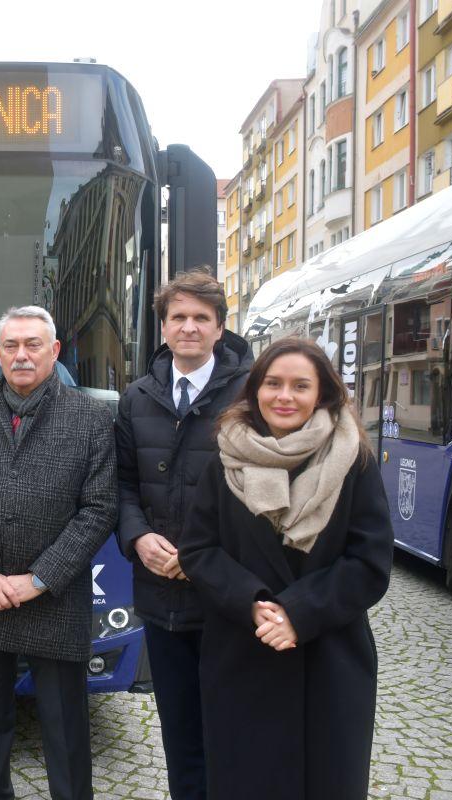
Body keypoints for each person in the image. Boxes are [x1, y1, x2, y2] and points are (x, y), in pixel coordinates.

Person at [178, 337, 394, 800]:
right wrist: (253, 603)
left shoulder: (353, 460)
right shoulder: (224, 460)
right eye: (273, 383)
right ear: (255, 389)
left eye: (300, 385)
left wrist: (299, 612)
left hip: (330, 663)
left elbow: (370, 562)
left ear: (323, 394)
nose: (285, 396)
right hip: (242, 654)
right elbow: (199, 550)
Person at [0, 305, 116, 800]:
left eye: (32, 344)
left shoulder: (91, 418)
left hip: (54, 599)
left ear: (54, 351)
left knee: (66, 733)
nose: (21, 355)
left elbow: (99, 510)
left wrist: (38, 578)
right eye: (10, 346)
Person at [113, 269, 251, 799]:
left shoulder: (251, 394)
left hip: (226, 598)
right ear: (163, 327)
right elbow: (123, 485)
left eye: (201, 318)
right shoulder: (137, 398)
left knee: (231, 731)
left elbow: (262, 496)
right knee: (179, 734)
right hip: (160, 598)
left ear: (219, 328)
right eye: (179, 317)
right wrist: (138, 538)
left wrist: (201, 556)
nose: (189, 327)